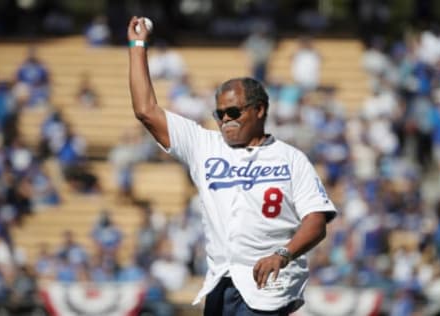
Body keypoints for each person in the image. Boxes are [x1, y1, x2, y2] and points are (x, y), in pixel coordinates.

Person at [127, 16, 337, 315]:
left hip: (270, 286)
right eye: (220, 113)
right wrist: (137, 46)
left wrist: (283, 254)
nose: (226, 119)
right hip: (221, 283)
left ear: (259, 110)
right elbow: (146, 111)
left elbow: (316, 222)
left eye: (234, 111)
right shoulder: (205, 146)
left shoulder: (290, 158)